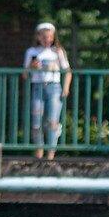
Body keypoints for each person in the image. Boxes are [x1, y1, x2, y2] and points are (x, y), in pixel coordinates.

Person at [23, 22, 71, 159]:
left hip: (54, 87)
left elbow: (67, 71)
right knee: (36, 121)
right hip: (38, 87)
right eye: (44, 37)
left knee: (52, 121)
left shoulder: (58, 51)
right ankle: (39, 152)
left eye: (50, 37)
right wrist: (32, 67)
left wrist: (66, 87)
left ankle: (50, 154)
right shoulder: (31, 52)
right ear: (38, 37)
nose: (47, 40)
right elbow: (25, 74)